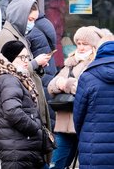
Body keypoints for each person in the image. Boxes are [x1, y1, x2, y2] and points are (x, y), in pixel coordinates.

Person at [0, 0, 53, 164]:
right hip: (19, 140)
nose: (32, 24)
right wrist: (35, 63)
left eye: (34, 20)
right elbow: (11, 68)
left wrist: (37, 66)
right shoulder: (9, 36)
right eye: (30, 20)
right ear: (20, 16)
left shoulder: (18, 34)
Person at [48, 26, 110, 168]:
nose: (81, 48)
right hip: (64, 124)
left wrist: (66, 83)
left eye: (85, 44)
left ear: (94, 45)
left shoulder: (96, 64)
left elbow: (87, 88)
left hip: (83, 124)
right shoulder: (71, 62)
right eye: (79, 43)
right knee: (57, 163)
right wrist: (62, 83)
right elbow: (51, 86)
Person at [0, 41, 45, 168]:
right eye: (22, 57)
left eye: (27, 57)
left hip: (19, 146)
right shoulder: (10, 80)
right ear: (11, 58)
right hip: (16, 147)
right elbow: (12, 112)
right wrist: (35, 127)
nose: (26, 61)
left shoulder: (15, 78)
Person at [14, 0, 58, 127]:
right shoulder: (44, 22)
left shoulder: (31, 29)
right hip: (47, 73)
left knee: (45, 119)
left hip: (40, 74)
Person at [73, 35, 114, 169]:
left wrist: (85, 136)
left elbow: (78, 116)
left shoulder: (87, 77)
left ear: (98, 50)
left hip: (93, 147)